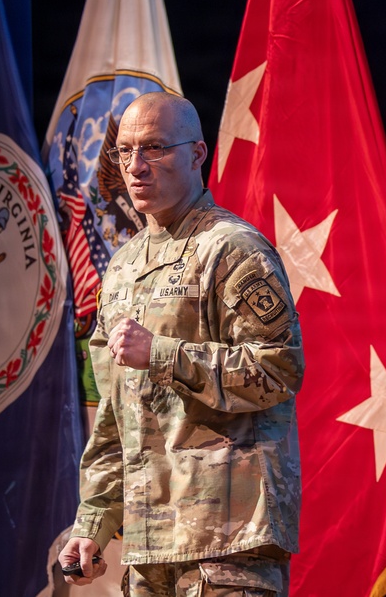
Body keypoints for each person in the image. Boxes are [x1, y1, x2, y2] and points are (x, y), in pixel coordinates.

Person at [58, 92, 305, 596]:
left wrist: (164, 355)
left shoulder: (232, 248)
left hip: (228, 543)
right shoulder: (122, 268)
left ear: (197, 154)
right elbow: (114, 415)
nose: (136, 167)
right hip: (150, 548)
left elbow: (280, 370)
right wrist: (93, 523)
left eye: (153, 148)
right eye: (124, 152)